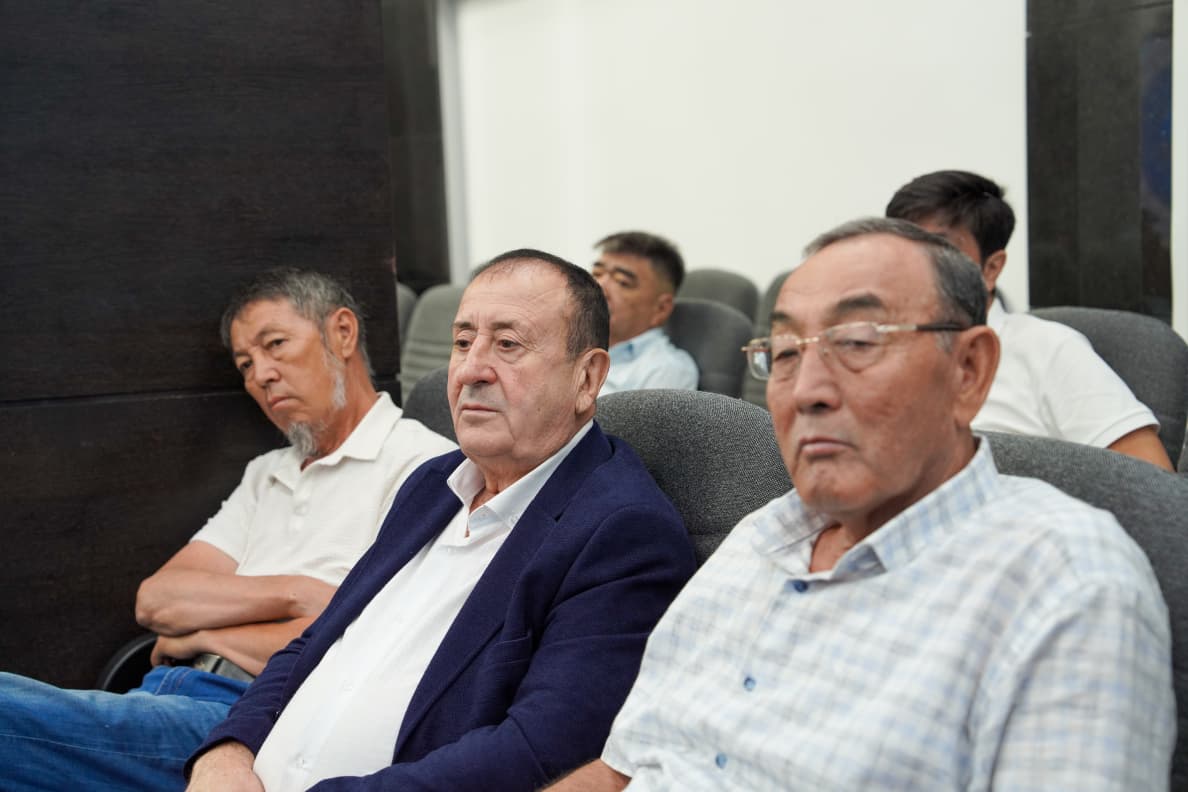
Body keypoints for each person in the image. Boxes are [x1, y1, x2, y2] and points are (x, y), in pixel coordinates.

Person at [551, 218, 1173, 790]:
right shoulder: (759, 534)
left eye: (856, 342)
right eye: (785, 352)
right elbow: (621, 770)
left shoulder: (1066, 581)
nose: (807, 391)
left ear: (969, 371)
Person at [185, 250, 697, 791]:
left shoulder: (622, 532)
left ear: (587, 378)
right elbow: (313, 646)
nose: (471, 369)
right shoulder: (431, 483)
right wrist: (227, 752)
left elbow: (540, 749)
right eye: (462, 342)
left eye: (507, 344)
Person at [0, 268, 457, 791]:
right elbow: (157, 600)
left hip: (253, 719)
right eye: (245, 363)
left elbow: (365, 645)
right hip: (161, 692)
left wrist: (204, 634)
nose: (260, 374)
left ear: (342, 333)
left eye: (275, 344)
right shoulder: (267, 473)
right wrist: (298, 594)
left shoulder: (422, 464)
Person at [886, 169, 1173, 470]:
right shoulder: (878, 349)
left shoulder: (1049, 349)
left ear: (991, 269)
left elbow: (1153, 481)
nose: (911, 268)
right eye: (901, 250)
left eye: (938, 251)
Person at [592, 231, 698, 394]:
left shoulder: (666, 369)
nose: (598, 286)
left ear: (661, 309)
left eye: (622, 282)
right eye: (596, 274)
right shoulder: (568, 345)